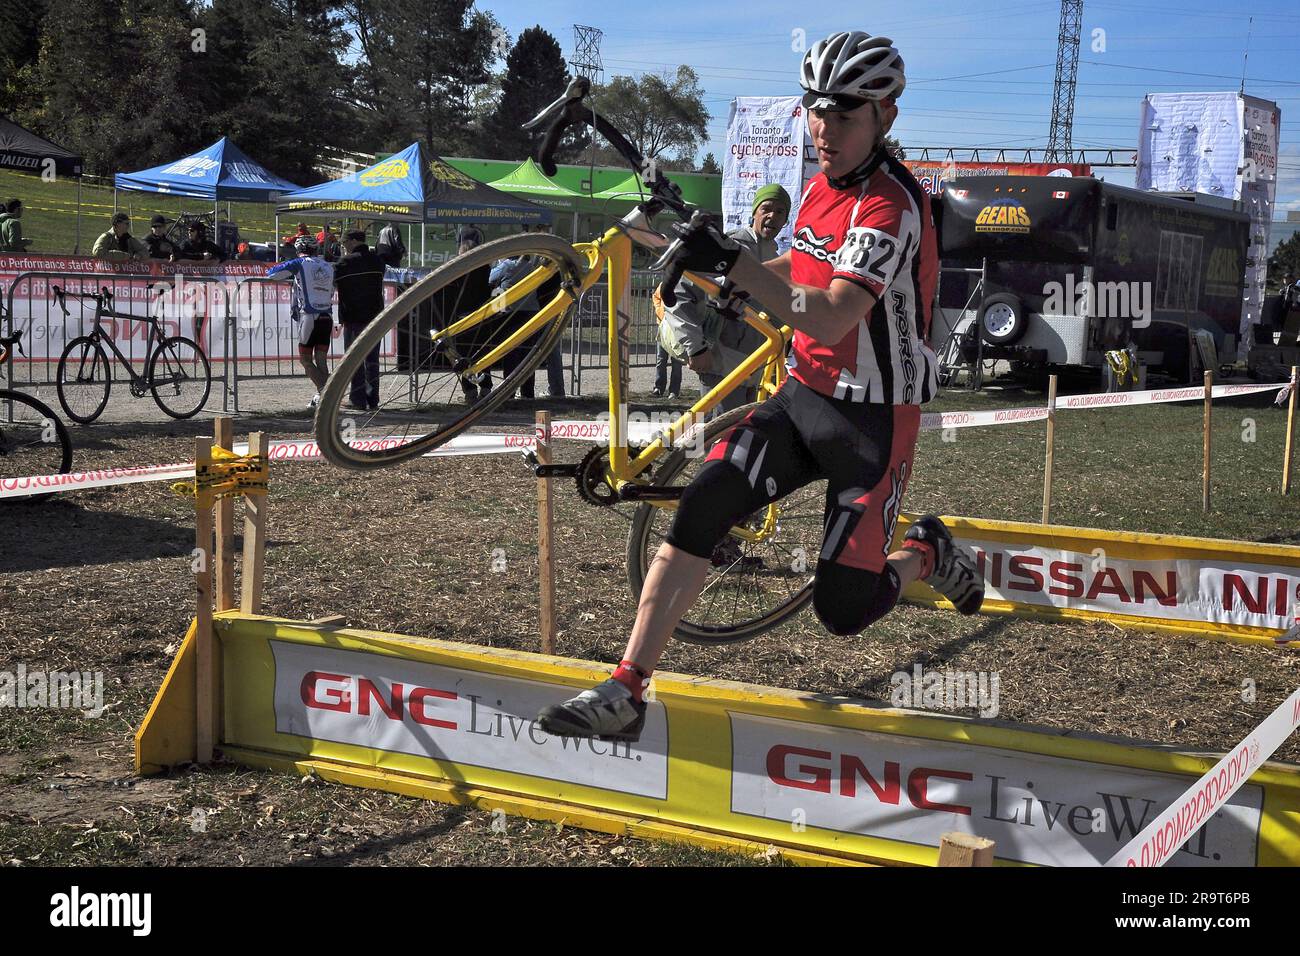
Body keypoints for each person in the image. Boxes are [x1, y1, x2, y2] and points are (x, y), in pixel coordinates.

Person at [537, 30, 985, 742]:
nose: (824, 128)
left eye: (844, 114)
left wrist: (741, 272)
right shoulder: (815, 189)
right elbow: (796, 279)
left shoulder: (893, 207)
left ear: (886, 118)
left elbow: (837, 312)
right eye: (816, 110)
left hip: (873, 425)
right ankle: (628, 688)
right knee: (702, 504)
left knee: (842, 611)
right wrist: (721, 270)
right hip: (803, 397)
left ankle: (927, 551)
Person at [658, 184, 791, 416]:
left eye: (781, 211)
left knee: (743, 442)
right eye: (767, 208)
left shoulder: (777, 258)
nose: (773, 216)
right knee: (719, 440)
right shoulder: (729, 247)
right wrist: (695, 347)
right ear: (754, 212)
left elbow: (778, 313)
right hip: (721, 365)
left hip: (757, 369)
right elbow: (681, 291)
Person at [267, 235, 336, 408]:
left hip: (309, 315)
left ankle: (326, 395)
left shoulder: (300, 262)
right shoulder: (328, 265)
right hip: (327, 315)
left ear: (299, 250)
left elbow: (272, 274)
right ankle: (324, 397)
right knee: (321, 360)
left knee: (305, 360)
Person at [333, 229, 386, 410]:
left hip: (354, 316)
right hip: (376, 315)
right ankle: (373, 399)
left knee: (354, 359)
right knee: (372, 360)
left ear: (354, 241)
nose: (344, 246)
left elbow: (333, 281)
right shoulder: (377, 260)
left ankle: (357, 399)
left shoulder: (346, 262)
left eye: (345, 242)